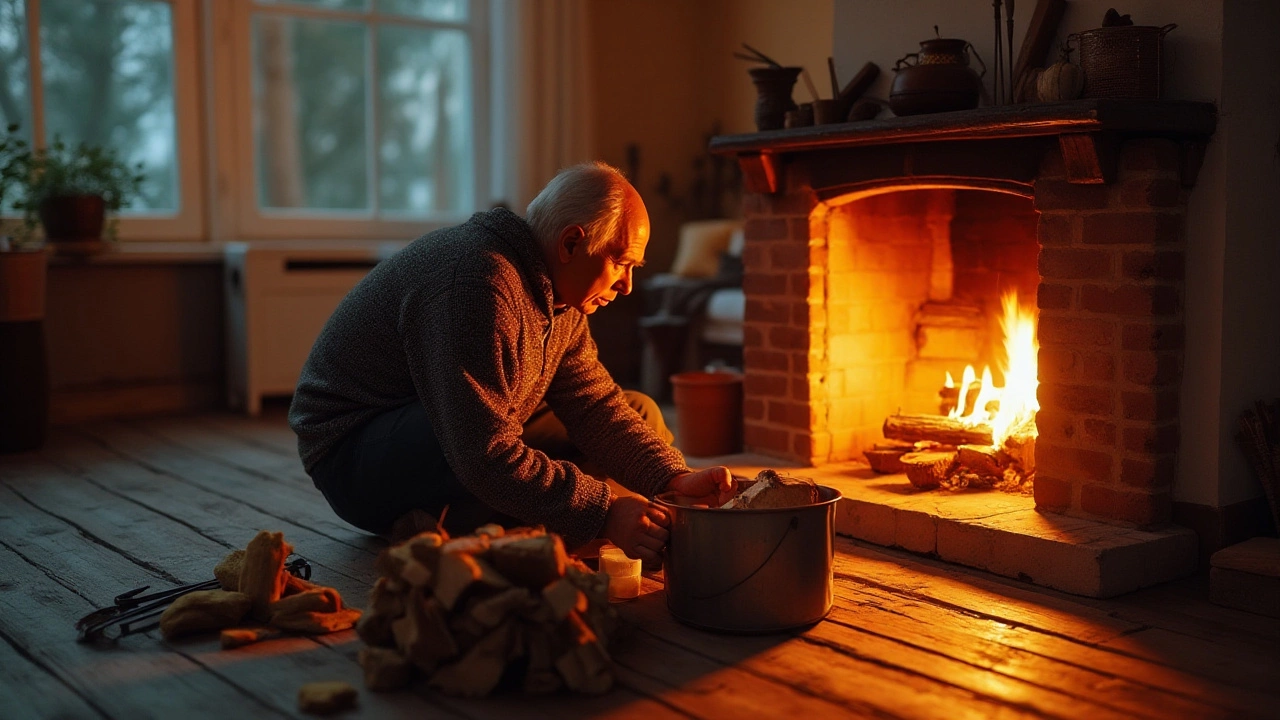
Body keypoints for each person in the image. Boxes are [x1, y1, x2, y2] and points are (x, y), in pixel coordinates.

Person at [289, 162, 734, 562]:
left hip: (466, 427)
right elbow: (483, 453)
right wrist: (604, 513)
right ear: (572, 243)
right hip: (354, 456)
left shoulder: (563, 302)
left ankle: (455, 521)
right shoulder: (477, 285)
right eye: (621, 264)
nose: (628, 287)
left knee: (640, 412)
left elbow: (593, 404)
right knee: (491, 457)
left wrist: (673, 479)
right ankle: (452, 527)